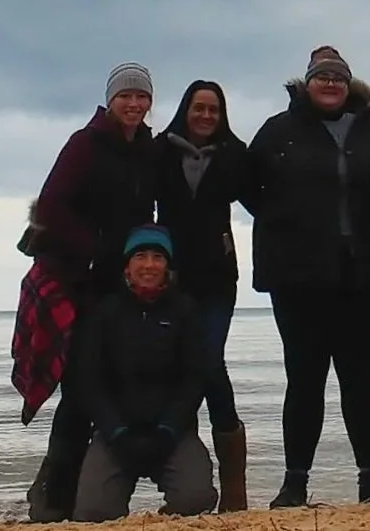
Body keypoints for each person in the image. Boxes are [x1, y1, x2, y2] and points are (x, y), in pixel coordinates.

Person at [240, 45, 370, 507]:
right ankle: (294, 484)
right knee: (305, 380)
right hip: (299, 278)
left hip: (367, 275)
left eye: (338, 77)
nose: (330, 84)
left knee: (361, 379)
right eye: (322, 77)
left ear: (348, 84)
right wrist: (287, 222)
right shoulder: (279, 130)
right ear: (307, 83)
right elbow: (249, 186)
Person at [16, 62, 160, 523]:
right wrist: (97, 250)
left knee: (99, 387)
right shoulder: (85, 143)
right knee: (79, 392)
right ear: (110, 100)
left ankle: (76, 494)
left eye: (142, 97)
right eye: (126, 96)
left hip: (114, 287)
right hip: (77, 283)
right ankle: (54, 499)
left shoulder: (145, 148)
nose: (134, 104)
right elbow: (50, 204)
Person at [67, 225, 220, 521]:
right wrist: (117, 432)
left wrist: (169, 430)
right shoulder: (104, 312)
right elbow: (89, 381)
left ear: (167, 266)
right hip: (117, 434)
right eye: (140, 256)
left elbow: (194, 378)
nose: (149, 264)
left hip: (171, 433)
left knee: (196, 499)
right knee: (93, 512)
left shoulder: (185, 310)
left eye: (157, 257)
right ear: (127, 265)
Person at [151, 79, 251, 512]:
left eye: (214, 109)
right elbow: (136, 201)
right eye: (199, 108)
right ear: (185, 110)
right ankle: (187, 484)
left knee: (208, 363)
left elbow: (270, 200)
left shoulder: (235, 154)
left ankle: (233, 491)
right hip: (171, 279)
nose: (206, 116)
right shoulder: (159, 150)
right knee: (182, 368)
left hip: (216, 279)